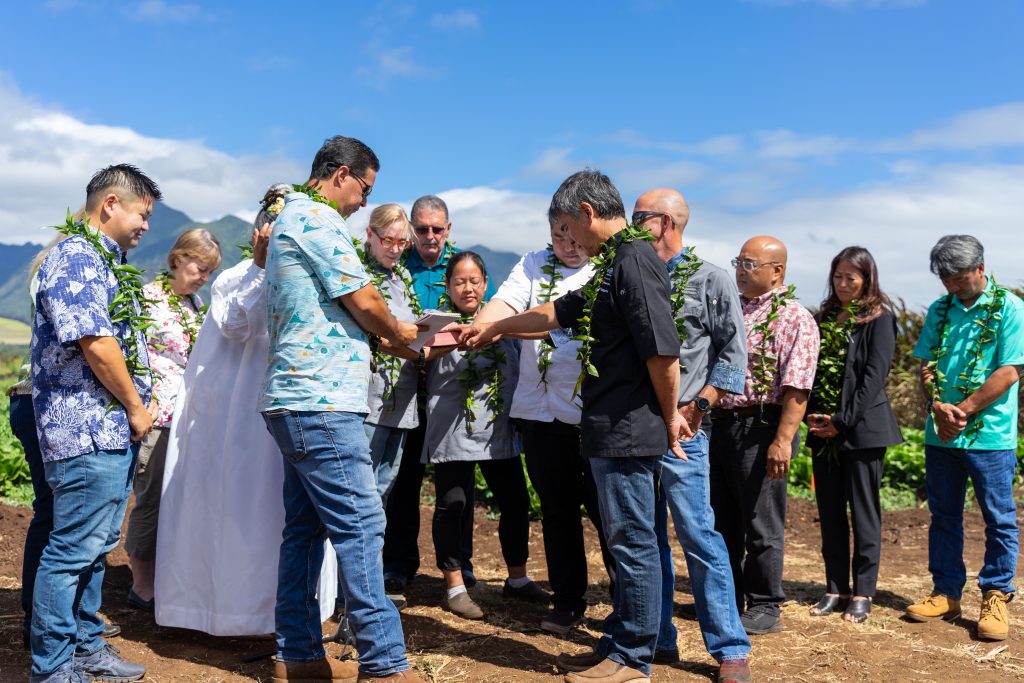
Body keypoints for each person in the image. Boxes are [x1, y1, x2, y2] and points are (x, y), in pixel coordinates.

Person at [460, 170, 686, 683]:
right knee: (625, 538)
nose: (567, 242)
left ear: (586, 212)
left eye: (567, 227)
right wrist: (492, 327)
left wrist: (670, 416)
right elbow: (555, 313)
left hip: (628, 427)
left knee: (631, 542)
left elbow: (662, 351)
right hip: (604, 426)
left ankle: (634, 658)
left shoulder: (634, 261)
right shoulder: (612, 265)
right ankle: (619, 643)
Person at [258, 136, 424, 682]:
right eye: (365, 190)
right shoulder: (318, 219)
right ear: (343, 174)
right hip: (321, 399)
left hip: (296, 398)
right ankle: (383, 663)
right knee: (361, 526)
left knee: (304, 531)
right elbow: (365, 299)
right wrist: (403, 335)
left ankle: (299, 655)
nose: (361, 203)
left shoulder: (290, 218)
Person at [154, 185, 337, 636]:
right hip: (233, 420)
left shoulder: (306, 279)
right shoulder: (235, 277)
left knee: (279, 513)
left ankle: (288, 612)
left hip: (288, 409)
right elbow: (237, 326)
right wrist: (259, 268)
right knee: (234, 510)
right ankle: (226, 611)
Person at [30, 164, 160, 683]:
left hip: (105, 431)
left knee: (94, 546)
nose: (147, 225)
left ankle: (85, 647)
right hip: (86, 427)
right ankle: (54, 666)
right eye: (142, 213)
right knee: (71, 550)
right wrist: (134, 405)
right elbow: (96, 343)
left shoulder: (105, 260)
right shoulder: (77, 256)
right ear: (110, 204)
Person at [473, 213, 616, 635]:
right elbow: (506, 302)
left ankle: (627, 601)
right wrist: (484, 323)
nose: (568, 246)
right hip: (539, 410)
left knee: (607, 512)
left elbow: (559, 322)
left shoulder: (607, 266)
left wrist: (500, 327)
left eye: (574, 238)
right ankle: (568, 600)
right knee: (556, 511)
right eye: (559, 237)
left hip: (591, 411)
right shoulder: (534, 263)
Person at [632, 189, 753, 683]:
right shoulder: (631, 274)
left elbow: (733, 356)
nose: (629, 224)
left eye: (637, 217)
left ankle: (729, 647)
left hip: (686, 430)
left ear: (663, 222)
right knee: (645, 536)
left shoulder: (710, 279)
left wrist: (699, 405)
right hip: (635, 427)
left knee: (698, 533)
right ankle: (657, 636)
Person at [905, 235, 1024, 642]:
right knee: (943, 515)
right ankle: (946, 591)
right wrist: (937, 404)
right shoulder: (939, 311)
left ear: (980, 268)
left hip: (990, 437)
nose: (952, 286)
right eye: (945, 279)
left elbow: (1010, 370)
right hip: (941, 436)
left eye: (958, 277)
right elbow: (927, 365)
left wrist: (965, 409)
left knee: (999, 517)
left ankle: (995, 593)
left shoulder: (1009, 307)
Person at [10, 234, 123, 650]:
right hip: (47, 403)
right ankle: (52, 623)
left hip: (27, 399)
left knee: (51, 514)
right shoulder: (72, 268)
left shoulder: (51, 265)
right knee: (61, 521)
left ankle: (47, 618)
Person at [424, 251, 548, 620]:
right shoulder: (435, 323)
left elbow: (546, 328)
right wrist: (448, 340)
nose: (467, 287)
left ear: (485, 284)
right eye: (459, 281)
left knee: (514, 503)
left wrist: (497, 328)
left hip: (498, 429)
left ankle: (518, 579)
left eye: (475, 280)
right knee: (453, 505)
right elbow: (415, 354)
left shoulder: (501, 323)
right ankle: (456, 585)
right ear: (447, 286)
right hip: (452, 428)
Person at [382, 194, 492, 601]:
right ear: (412, 229)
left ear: (449, 230)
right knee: (404, 482)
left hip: (451, 394)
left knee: (458, 487)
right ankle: (396, 564)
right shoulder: (398, 267)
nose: (430, 236)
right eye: (422, 229)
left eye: (437, 229)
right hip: (407, 392)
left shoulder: (463, 267)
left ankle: (461, 565)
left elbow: (487, 314)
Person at [711, 236, 819, 636]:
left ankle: (764, 604)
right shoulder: (731, 308)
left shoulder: (794, 317)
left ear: (778, 271)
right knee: (721, 520)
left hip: (760, 426)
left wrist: (782, 439)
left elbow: (798, 387)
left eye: (751, 263)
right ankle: (728, 598)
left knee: (761, 520)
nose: (741, 269)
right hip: (719, 423)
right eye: (738, 261)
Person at [125, 228, 222, 610]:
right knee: (150, 498)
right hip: (156, 415)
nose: (204, 278)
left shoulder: (197, 305)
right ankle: (141, 584)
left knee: (180, 498)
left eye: (210, 272)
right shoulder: (146, 300)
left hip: (188, 417)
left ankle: (171, 572)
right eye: (200, 268)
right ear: (179, 258)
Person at [805, 247, 902, 624]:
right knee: (829, 513)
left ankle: (863, 591)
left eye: (852, 277)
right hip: (823, 430)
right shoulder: (824, 317)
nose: (843, 284)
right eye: (838, 276)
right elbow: (811, 370)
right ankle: (835, 587)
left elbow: (873, 379)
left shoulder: (879, 319)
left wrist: (842, 421)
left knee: (864, 513)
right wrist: (816, 418)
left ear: (867, 278)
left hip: (863, 431)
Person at [359, 203, 422, 505]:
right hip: (372, 396)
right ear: (370, 234)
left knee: (386, 481)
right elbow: (370, 333)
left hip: (402, 392)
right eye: (388, 240)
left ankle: (375, 551)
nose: (395, 249)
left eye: (402, 242)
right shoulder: (361, 277)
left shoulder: (403, 277)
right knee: (364, 483)